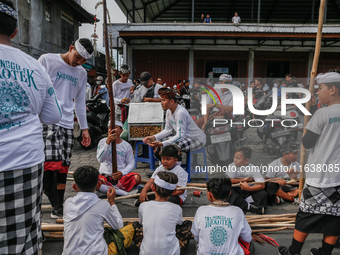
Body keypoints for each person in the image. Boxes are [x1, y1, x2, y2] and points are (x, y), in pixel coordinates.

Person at [0, 1, 62, 253]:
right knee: (22, 231)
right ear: (15, 32)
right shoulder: (35, 66)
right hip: (24, 159)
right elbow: (53, 115)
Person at [278, 71, 340, 255]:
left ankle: (294, 251)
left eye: (320, 89)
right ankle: (325, 252)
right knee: (334, 216)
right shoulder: (322, 112)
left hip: (320, 176)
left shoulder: (323, 113)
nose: (318, 92)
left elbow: (308, 142)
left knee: (306, 214)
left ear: (333, 89)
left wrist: (310, 115)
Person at [38, 38, 93, 218]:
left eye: (83, 61)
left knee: (63, 168)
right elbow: (36, 89)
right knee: (49, 166)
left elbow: (80, 102)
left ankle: (58, 207)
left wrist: (84, 129)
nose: (78, 62)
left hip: (68, 123)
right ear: (70, 48)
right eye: (77, 57)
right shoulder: (47, 60)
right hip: (47, 121)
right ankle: (54, 201)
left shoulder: (81, 73)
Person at [62, 166, 124, 255]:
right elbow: (118, 225)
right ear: (98, 185)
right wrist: (112, 201)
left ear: (74, 187)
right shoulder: (103, 205)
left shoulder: (68, 203)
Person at [135, 171, 192, 255]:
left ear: (153, 187)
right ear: (174, 191)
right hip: (172, 253)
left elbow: (141, 223)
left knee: (136, 225)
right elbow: (179, 224)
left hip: (146, 252)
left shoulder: (143, 206)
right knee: (187, 224)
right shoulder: (177, 208)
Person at [191, 178, 252, 255]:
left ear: (209, 194)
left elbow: (196, 237)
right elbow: (248, 238)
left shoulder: (201, 211)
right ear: (230, 193)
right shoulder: (238, 211)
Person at [143, 88, 206, 153]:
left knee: (172, 147)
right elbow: (168, 130)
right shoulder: (168, 111)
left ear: (171, 101)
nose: (161, 103)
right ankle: (164, 163)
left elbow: (180, 136)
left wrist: (162, 144)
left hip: (197, 139)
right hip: (184, 137)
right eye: (161, 100)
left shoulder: (180, 113)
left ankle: (176, 162)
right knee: (160, 141)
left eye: (163, 100)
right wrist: (154, 137)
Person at [96, 121, 141, 196]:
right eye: (110, 128)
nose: (112, 130)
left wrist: (122, 173)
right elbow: (100, 159)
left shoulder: (126, 145)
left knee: (137, 178)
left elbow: (131, 163)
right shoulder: (102, 142)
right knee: (92, 180)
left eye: (115, 127)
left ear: (121, 130)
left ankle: (107, 189)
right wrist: (107, 143)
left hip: (120, 178)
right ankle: (123, 192)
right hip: (104, 176)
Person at [226, 146, 268, 215]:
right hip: (237, 190)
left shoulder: (253, 168)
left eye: (238, 158)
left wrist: (249, 188)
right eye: (234, 157)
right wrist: (243, 180)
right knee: (228, 192)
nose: (235, 160)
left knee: (263, 194)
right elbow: (229, 181)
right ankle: (249, 206)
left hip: (249, 192)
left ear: (246, 160)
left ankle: (243, 204)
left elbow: (262, 185)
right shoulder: (232, 166)